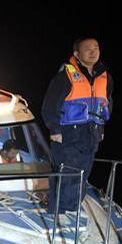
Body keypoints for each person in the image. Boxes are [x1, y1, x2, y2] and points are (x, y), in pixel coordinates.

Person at [41, 36, 112, 213]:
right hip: (68, 133)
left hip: (91, 133)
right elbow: (49, 106)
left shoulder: (105, 76)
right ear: (77, 54)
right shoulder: (65, 76)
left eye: (96, 47)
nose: (93, 51)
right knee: (65, 174)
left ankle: (73, 209)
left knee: (83, 174)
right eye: (88, 48)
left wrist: (101, 127)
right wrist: (55, 129)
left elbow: (106, 103)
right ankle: (57, 211)